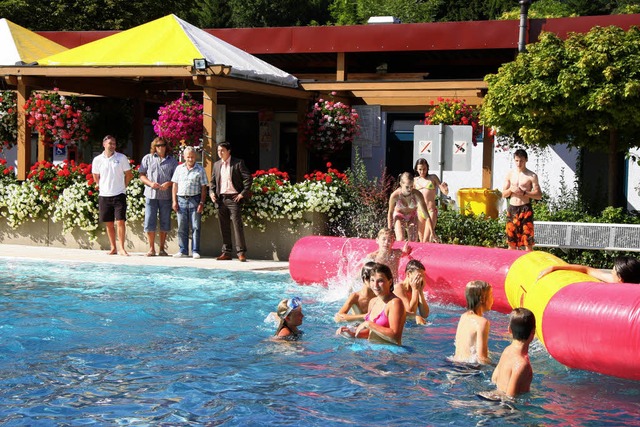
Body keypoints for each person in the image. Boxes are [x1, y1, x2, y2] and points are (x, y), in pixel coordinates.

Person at [336, 263, 407, 345]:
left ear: (390, 282)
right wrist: (351, 333)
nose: (375, 285)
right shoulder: (373, 301)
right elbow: (370, 332)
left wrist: (369, 324)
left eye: (380, 281)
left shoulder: (395, 303)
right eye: (372, 280)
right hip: (371, 350)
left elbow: (395, 337)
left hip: (389, 354)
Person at [209, 141, 253, 262]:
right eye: (218, 150)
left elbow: (248, 178)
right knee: (224, 226)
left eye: (222, 150)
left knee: (237, 225)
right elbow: (212, 182)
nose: (220, 153)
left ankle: (241, 253)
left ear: (229, 151)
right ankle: (226, 252)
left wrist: (242, 194)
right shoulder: (216, 165)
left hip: (234, 198)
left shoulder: (238, 163)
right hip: (221, 199)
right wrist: (212, 193)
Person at [92, 135, 133, 256]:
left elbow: (129, 174)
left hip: (119, 194)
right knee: (109, 223)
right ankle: (113, 247)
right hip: (104, 195)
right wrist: (99, 185)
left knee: (120, 221)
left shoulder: (121, 158)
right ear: (104, 144)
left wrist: (124, 187)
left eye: (114, 143)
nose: (112, 145)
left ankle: (122, 248)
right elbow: (95, 175)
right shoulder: (98, 159)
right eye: (110, 143)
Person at [138, 137, 178, 257]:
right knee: (149, 221)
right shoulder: (148, 158)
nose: (160, 147)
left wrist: (169, 183)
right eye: (158, 145)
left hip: (165, 196)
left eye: (162, 145)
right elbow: (141, 174)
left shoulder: (172, 161)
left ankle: (162, 248)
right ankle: (151, 248)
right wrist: (150, 183)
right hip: (151, 195)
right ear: (154, 147)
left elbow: (177, 178)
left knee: (165, 222)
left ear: (166, 146)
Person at [171, 146, 208, 259]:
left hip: (195, 200)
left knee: (196, 226)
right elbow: (174, 185)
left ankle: (195, 250)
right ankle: (183, 250)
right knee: (182, 226)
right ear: (184, 157)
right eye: (188, 157)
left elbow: (204, 187)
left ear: (195, 156)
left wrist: (202, 202)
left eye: (192, 157)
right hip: (181, 199)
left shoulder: (200, 169)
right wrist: (174, 201)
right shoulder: (179, 169)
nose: (190, 159)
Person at [502, 149, 542, 251]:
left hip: (525, 209)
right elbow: (503, 194)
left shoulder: (531, 176)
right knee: (511, 242)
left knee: (527, 242)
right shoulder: (510, 174)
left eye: (521, 161)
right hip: (512, 209)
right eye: (516, 160)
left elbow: (538, 195)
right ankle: (511, 265)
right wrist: (511, 189)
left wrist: (524, 193)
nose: (519, 163)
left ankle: (528, 266)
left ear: (526, 160)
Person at [491, 307, 536, 398]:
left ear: (509, 330)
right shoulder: (522, 364)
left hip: (495, 396)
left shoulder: (507, 350)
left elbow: (494, 379)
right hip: (505, 407)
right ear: (533, 332)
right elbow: (510, 398)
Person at [451, 280, 494, 365]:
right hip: (469, 370)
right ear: (483, 299)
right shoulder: (482, 323)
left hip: (455, 364)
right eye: (491, 295)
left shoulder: (463, 317)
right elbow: (482, 359)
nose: (493, 299)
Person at [388, 172, 434, 242]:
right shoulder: (395, 195)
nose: (409, 189)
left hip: (412, 215)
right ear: (401, 184)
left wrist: (432, 232)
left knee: (413, 241)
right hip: (399, 215)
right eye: (407, 187)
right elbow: (390, 213)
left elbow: (427, 215)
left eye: (411, 186)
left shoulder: (417, 194)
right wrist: (389, 230)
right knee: (400, 239)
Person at [414, 158, 448, 243]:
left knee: (426, 239)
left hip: (430, 211)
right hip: (419, 211)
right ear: (416, 169)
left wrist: (446, 189)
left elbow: (444, 192)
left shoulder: (433, 178)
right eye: (420, 169)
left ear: (427, 168)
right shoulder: (415, 180)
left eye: (424, 169)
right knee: (421, 239)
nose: (422, 172)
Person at [537, 256, 640, 284]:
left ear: (620, 278)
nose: (611, 272)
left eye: (613, 271)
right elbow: (587, 270)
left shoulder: (617, 281)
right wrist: (555, 267)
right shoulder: (615, 281)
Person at [395, 259, 430, 325]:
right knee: (418, 318)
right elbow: (410, 313)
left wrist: (420, 291)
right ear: (408, 274)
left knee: (421, 320)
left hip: (408, 324)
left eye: (423, 276)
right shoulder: (398, 288)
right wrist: (415, 290)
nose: (421, 279)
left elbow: (425, 314)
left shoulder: (415, 289)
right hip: (399, 324)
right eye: (418, 276)